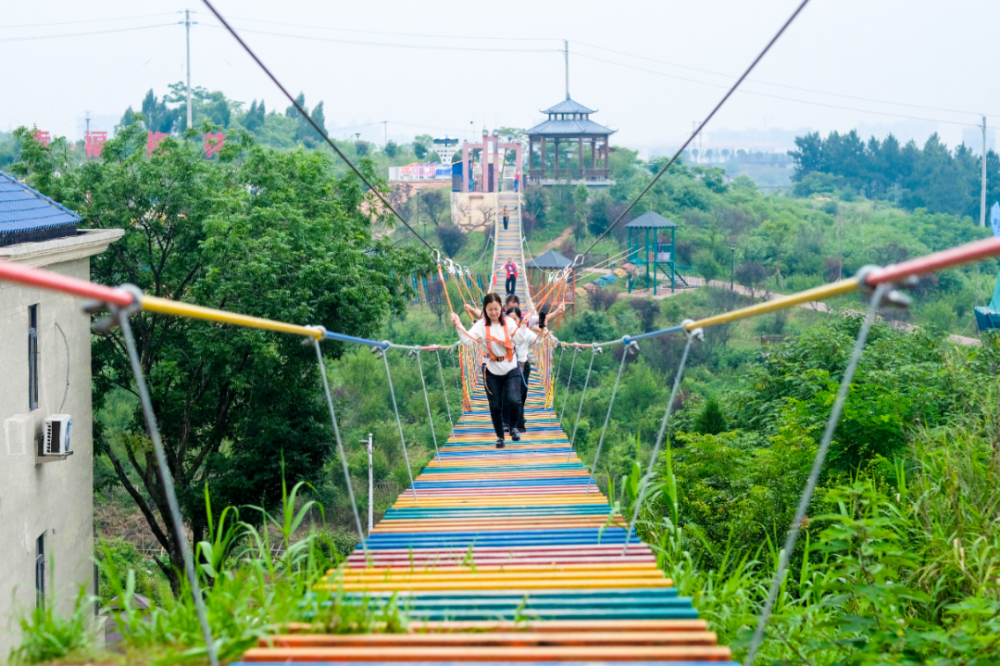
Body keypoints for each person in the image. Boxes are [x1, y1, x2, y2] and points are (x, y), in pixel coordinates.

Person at [452, 293, 532, 448]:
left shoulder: (508, 322)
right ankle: (500, 437)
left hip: (510, 366)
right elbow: (468, 341)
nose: (494, 312)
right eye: (490, 310)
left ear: (501, 308)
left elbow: (519, 339)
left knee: (514, 400)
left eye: (496, 309)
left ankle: (514, 427)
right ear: (485, 310)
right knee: (495, 405)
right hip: (491, 369)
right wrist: (458, 324)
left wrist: (522, 325)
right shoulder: (480, 325)